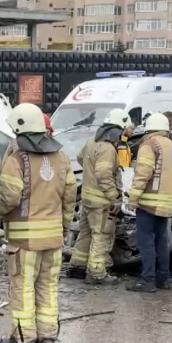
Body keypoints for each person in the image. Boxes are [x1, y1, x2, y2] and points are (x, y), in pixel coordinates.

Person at [0, 103, 77, 343]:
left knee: (22, 287)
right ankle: (48, 337)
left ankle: (22, 337)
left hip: (24, 240)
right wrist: (64, 227)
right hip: (53, 238)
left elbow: (10, 198)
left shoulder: (16, 160)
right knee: (48, 287)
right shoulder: (62, 158)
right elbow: (70, 196)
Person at [69, 109, 131, 286]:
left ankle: (77, 267)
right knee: (102, 236)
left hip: (87, 199)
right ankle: (96, 273)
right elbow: (103, 175)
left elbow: (81, 158)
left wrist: (90, 171)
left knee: (85, 234)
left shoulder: (91, 142)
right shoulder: (108, 148)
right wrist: (115, 198)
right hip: (102, 203)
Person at [126, 113, 172, 293]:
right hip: (166, 203)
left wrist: (133, 197)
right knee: (162, 241)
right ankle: (163, 278)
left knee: (146, 242)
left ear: (148, 128)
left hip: (148, 203)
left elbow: (143, 173)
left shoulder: (149, 145)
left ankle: (147, 280)